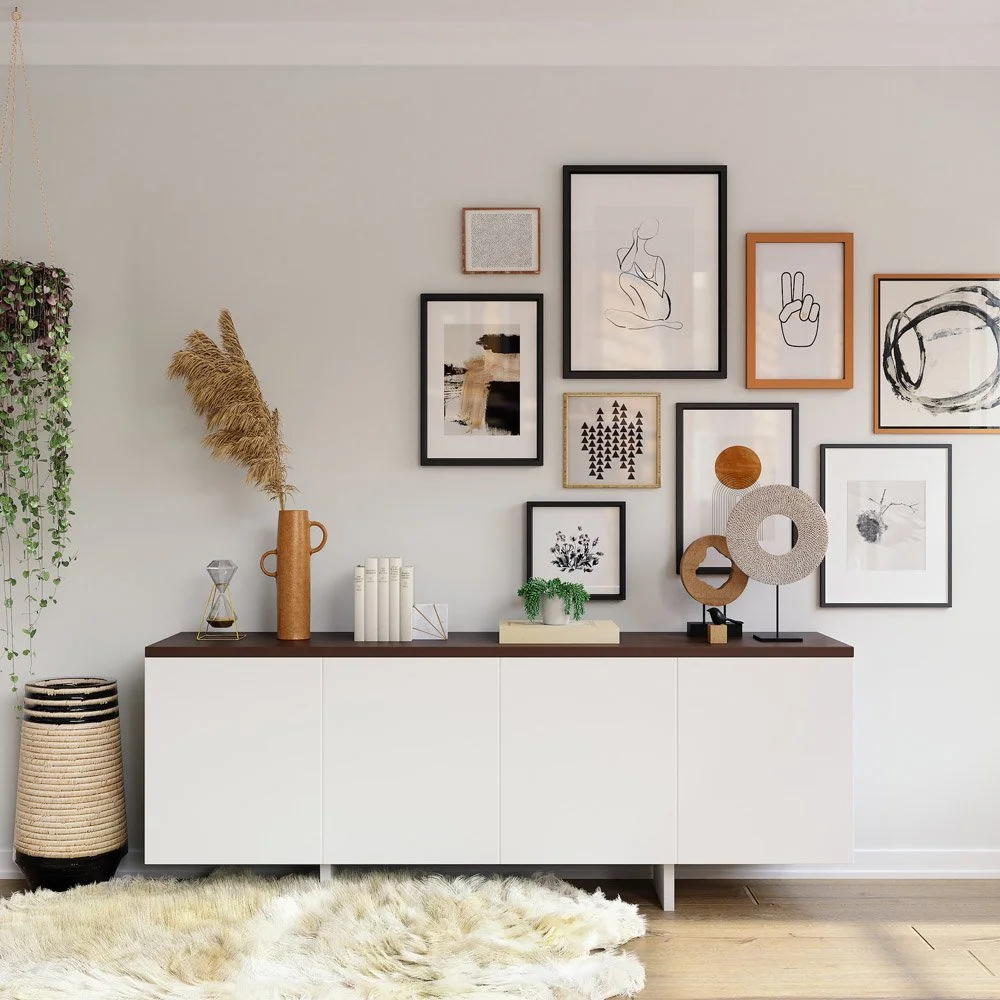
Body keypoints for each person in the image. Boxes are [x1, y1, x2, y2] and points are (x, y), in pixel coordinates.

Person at [604, 218, 682, 330]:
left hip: (659, 306)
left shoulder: (657, 260)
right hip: (642, 306)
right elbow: (624, 267)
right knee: (610, 312)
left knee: (624, 278)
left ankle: (648, 320)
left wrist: (642, 284)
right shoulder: (623, 252)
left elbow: (660, 291)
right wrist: (635, 242)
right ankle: (655, 323)